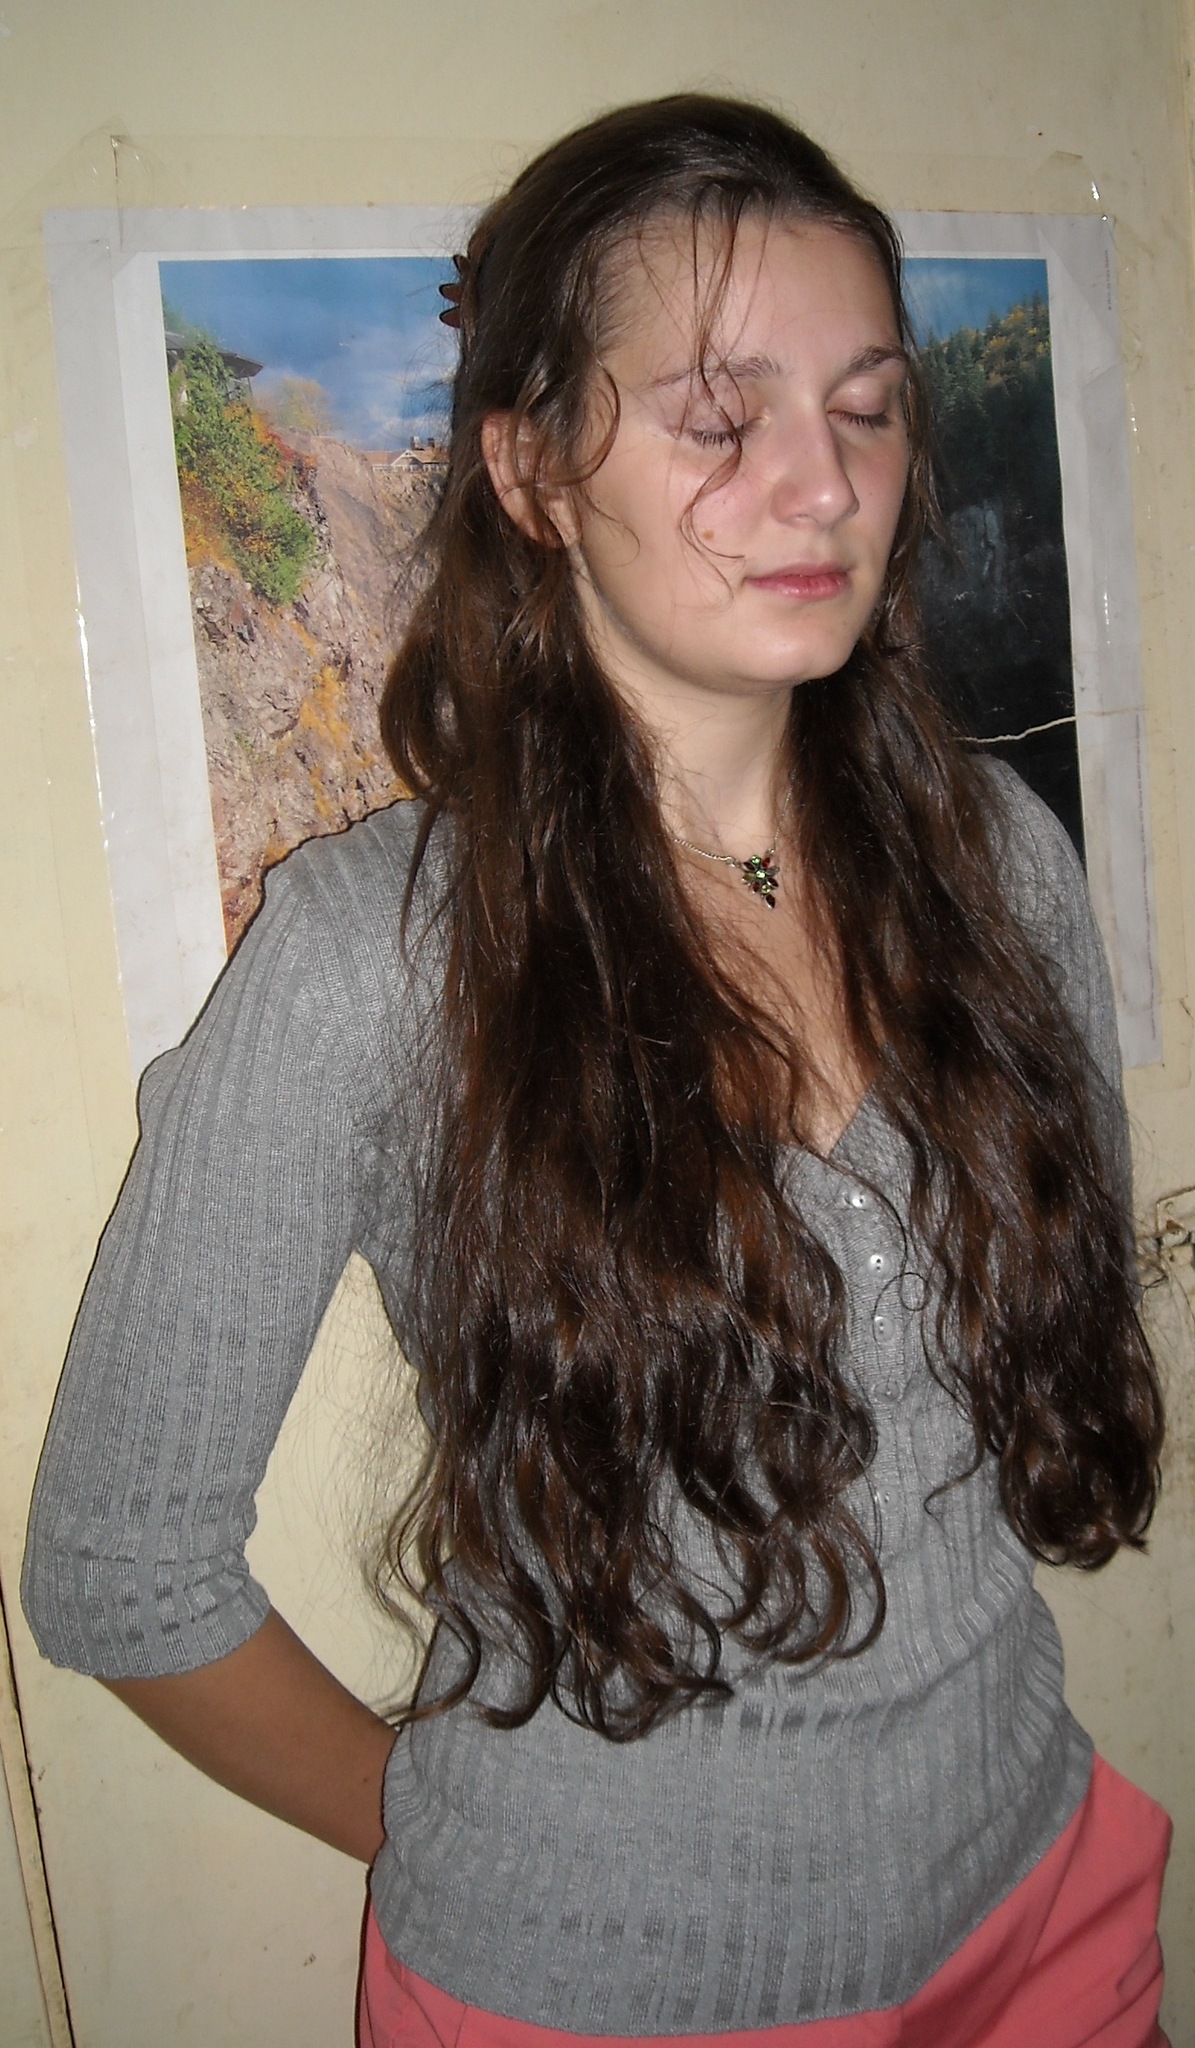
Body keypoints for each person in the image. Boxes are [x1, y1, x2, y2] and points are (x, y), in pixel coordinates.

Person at [22, 94, 1171, 2047]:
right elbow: (117, 1570)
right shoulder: (369, 958)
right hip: (587, 1998)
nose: (824, 483)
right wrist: (488, 1845)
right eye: (720, 416)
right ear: (534, 468)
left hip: (1045, 1915)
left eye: (868, 407)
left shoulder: (1003, 865)